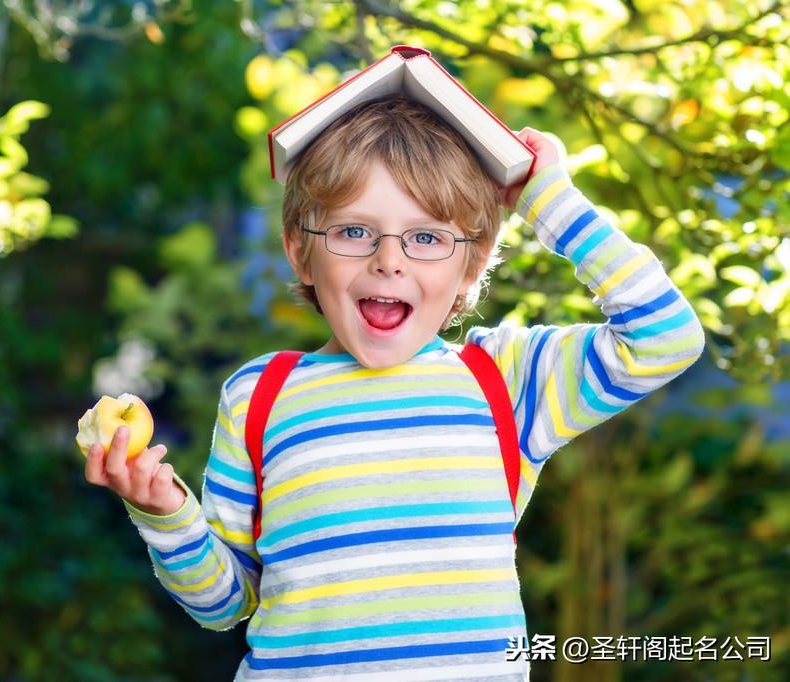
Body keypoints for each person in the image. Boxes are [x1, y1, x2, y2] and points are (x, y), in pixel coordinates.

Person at [85, 94, 706, 680]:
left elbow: (666, 338)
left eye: (428, 237)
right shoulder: (259, 396)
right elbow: (223, 604)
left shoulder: (505, 380)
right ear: (300, 252)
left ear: (473, 261)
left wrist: (554, 205)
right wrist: (164, 514)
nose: (390, 260)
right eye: (354, 232)